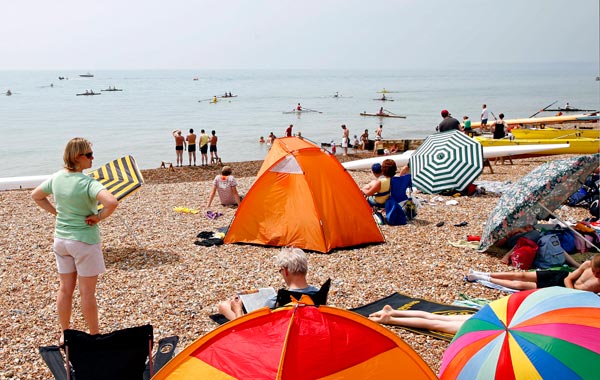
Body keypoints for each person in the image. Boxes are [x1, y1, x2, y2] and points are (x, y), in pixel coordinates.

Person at [31, 138, 119, 345]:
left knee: (65, 289)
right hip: (84, 242)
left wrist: (56, 212)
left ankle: (65, 334)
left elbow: (36, 195)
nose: (92, 158)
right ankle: (95, 335)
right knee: (87, 292)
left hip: (61, 240)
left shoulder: (57, 178)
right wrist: (98, 217)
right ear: (77, 157)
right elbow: (112, 202)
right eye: (88, 154)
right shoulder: (88, 183)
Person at [218, 247, 319, 320]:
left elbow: (255, 331)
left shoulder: (275, 302)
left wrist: (238, 310)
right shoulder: (319, 294)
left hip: (276, 338)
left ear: (286, 271)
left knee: (225, 306)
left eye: (280, 271)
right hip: (304, 331)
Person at [467, 254, 600, 292]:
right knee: (522, 275)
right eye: (594, 272)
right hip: (562, 278)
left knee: (520, 285)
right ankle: (485, 273)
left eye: (598, 274)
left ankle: (482, 278)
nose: (595, 275)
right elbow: (569, 279)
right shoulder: (588, 264)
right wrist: (574, 294)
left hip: (562, 289)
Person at [369, 305, 471, 335]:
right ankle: (391, 319)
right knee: (435, 324)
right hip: (480, 327)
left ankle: (393, 312)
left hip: (481, 317)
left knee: (440, 318)